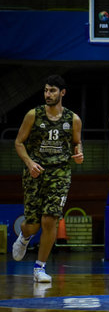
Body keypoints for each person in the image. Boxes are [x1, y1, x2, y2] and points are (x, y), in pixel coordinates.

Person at [12, 75, 84, 283]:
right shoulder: (33, 115)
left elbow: (77, 143)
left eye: (52, 90)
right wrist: (29, 163)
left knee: (50, 219)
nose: (48, 94)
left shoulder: (73, 119)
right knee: (33, 225)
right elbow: (18, 143)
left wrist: (79, 153)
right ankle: (25, 237)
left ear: (62, 93)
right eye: (46, 90)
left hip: (60, 173)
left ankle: (39, 268)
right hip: (36, 172)